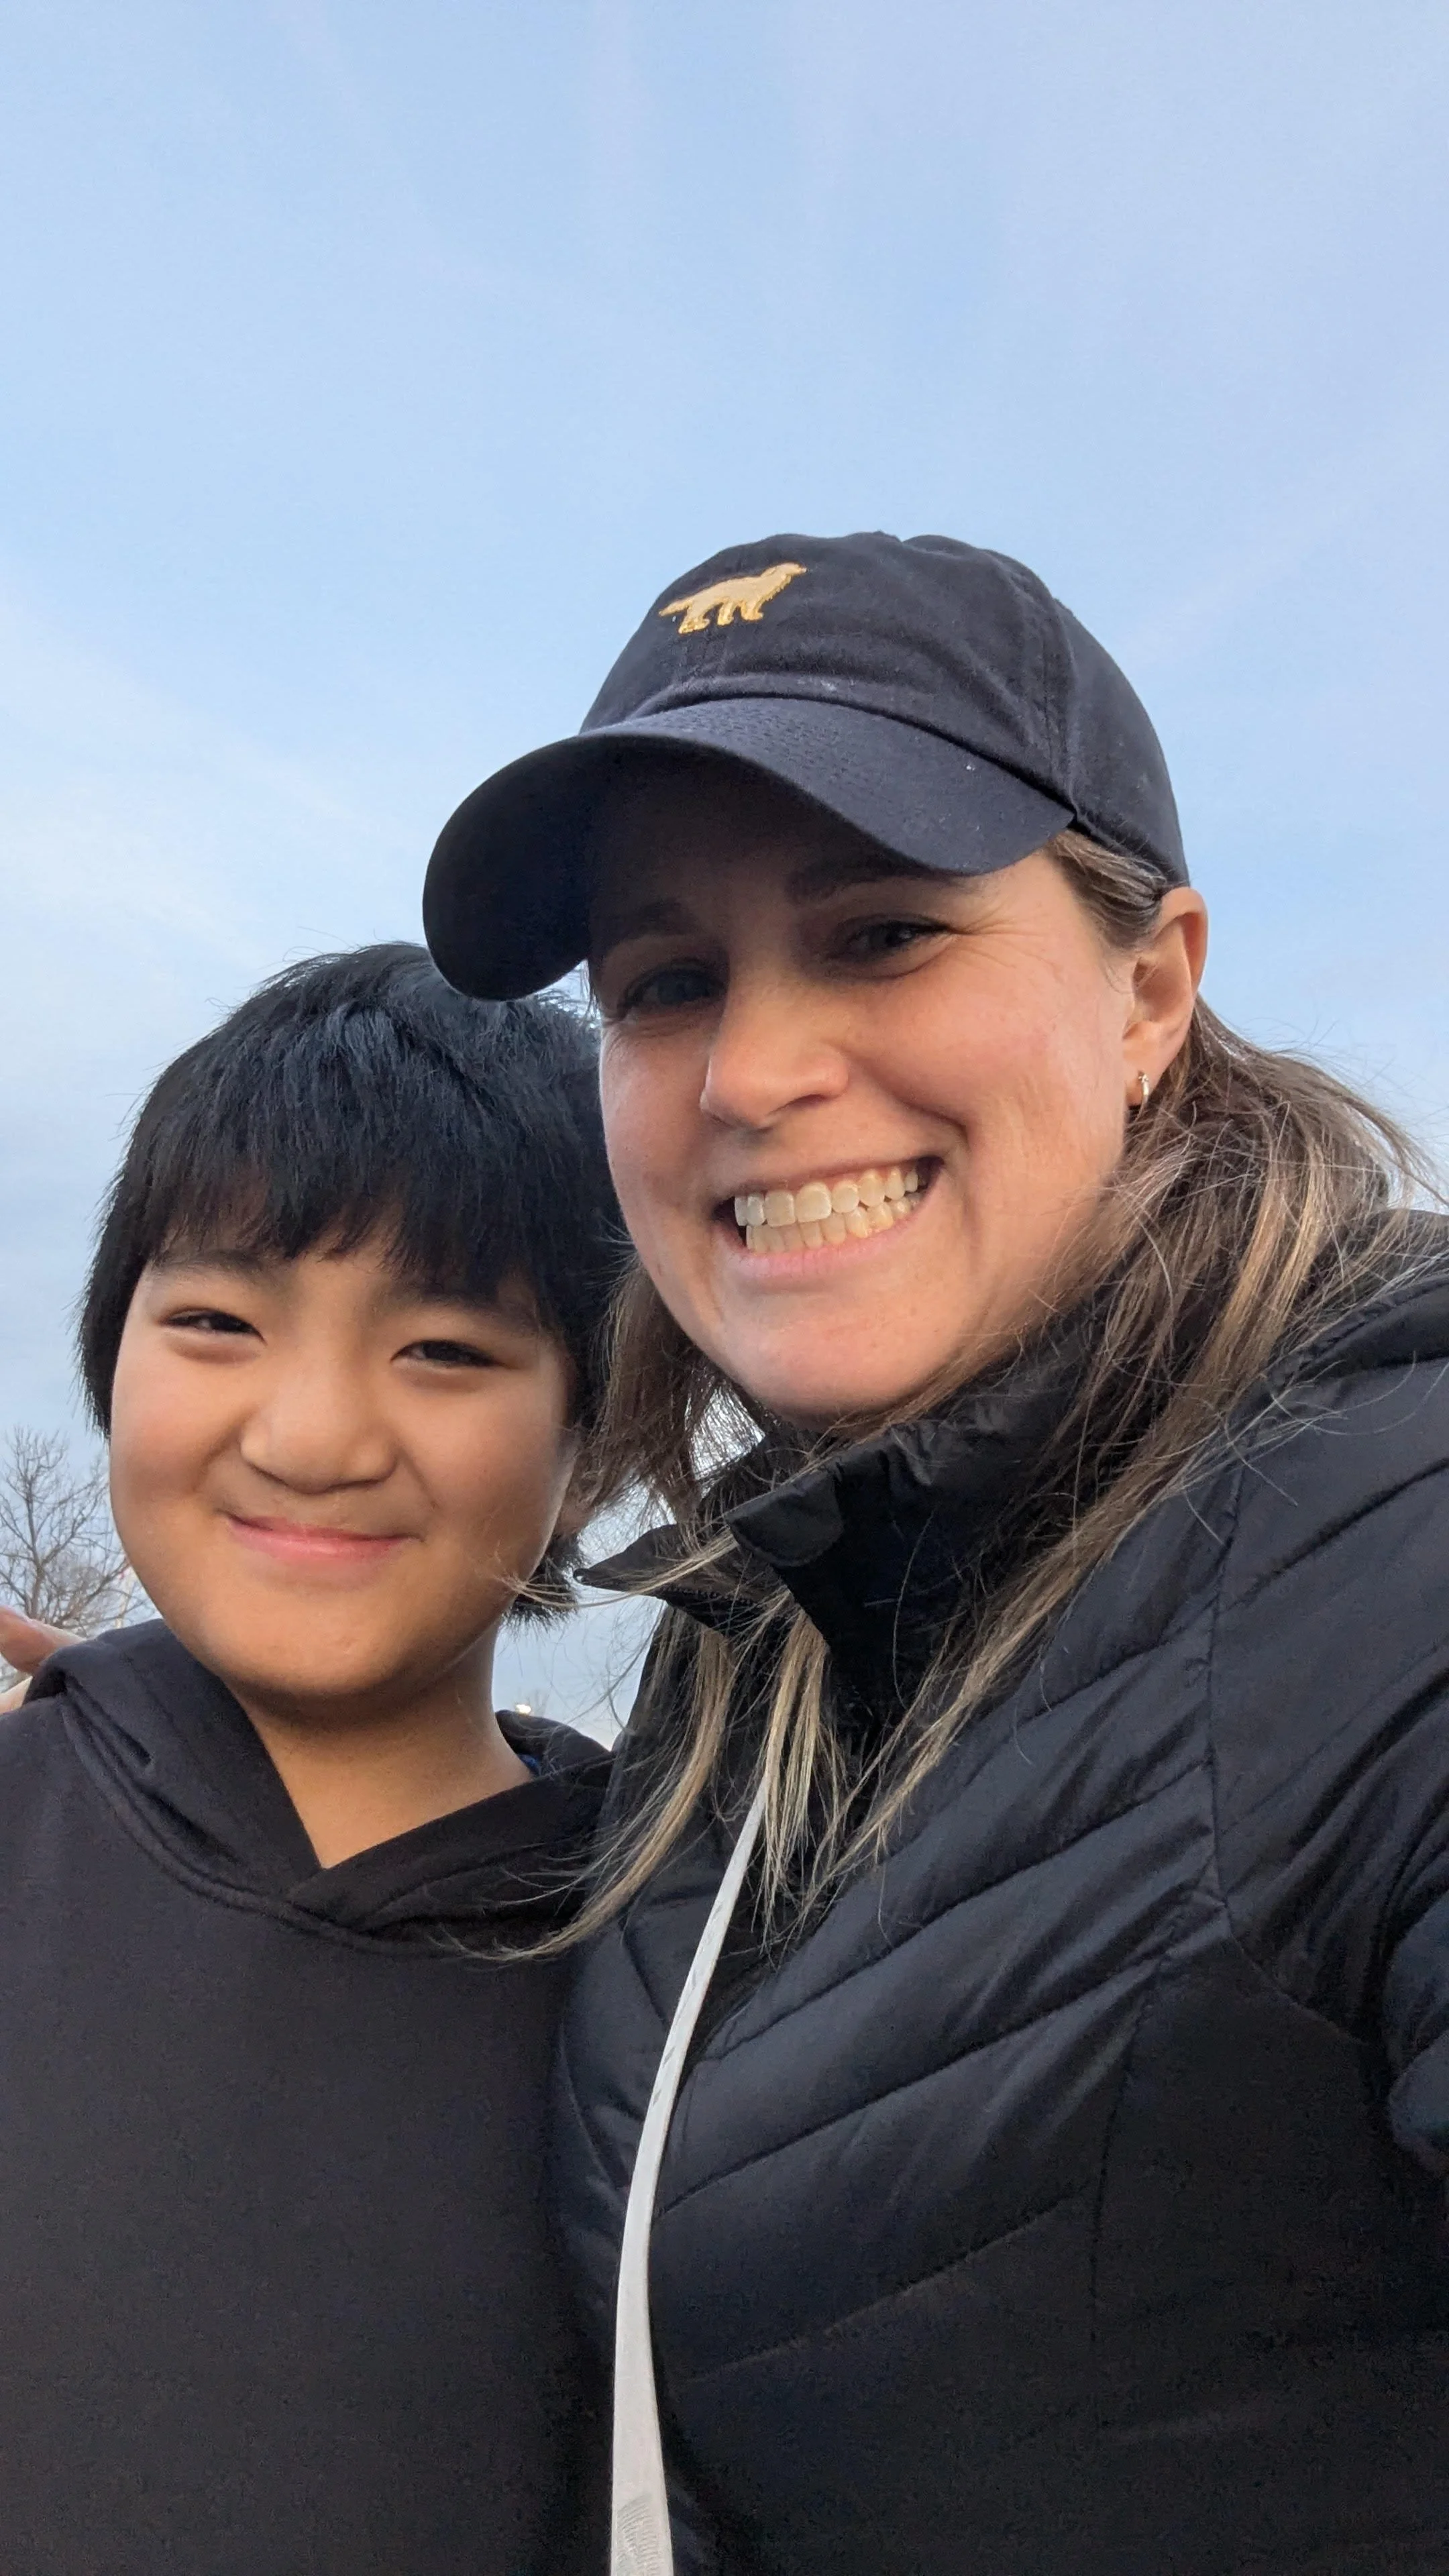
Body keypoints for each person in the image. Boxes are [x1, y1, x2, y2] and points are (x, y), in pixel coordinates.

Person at [424, 533, 1449, 2576]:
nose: (753, 1073)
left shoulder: (1396, 1523)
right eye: (665, 983)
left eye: (884, 933)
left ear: (1151, 989)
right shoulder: (768, 1628)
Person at [0, 944, 621, 2575]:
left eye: (446, 1351)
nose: (311, 1437)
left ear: (595, 1441)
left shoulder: (685, 1969)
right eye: (217, 1322)